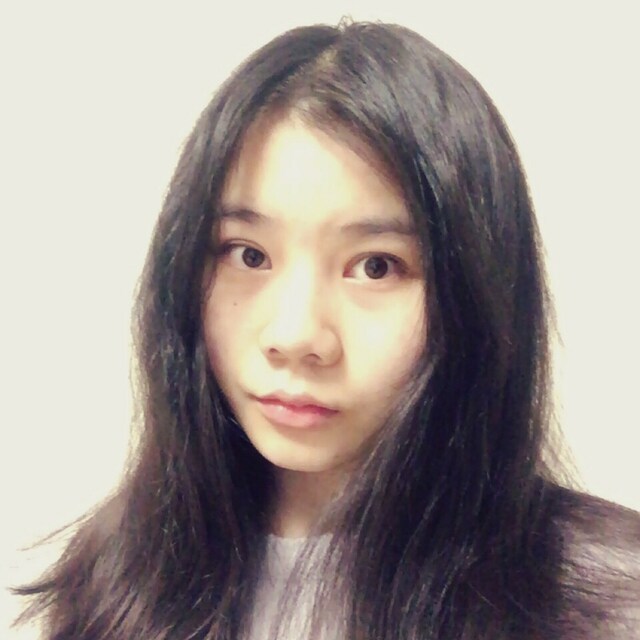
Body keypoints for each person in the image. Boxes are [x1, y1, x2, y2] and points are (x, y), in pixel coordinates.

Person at [14, 19, 640, 640]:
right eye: (248, 255)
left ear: (477, 294)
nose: (295, 335)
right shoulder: (111, 582)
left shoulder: (603, 601)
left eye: (376, 267)